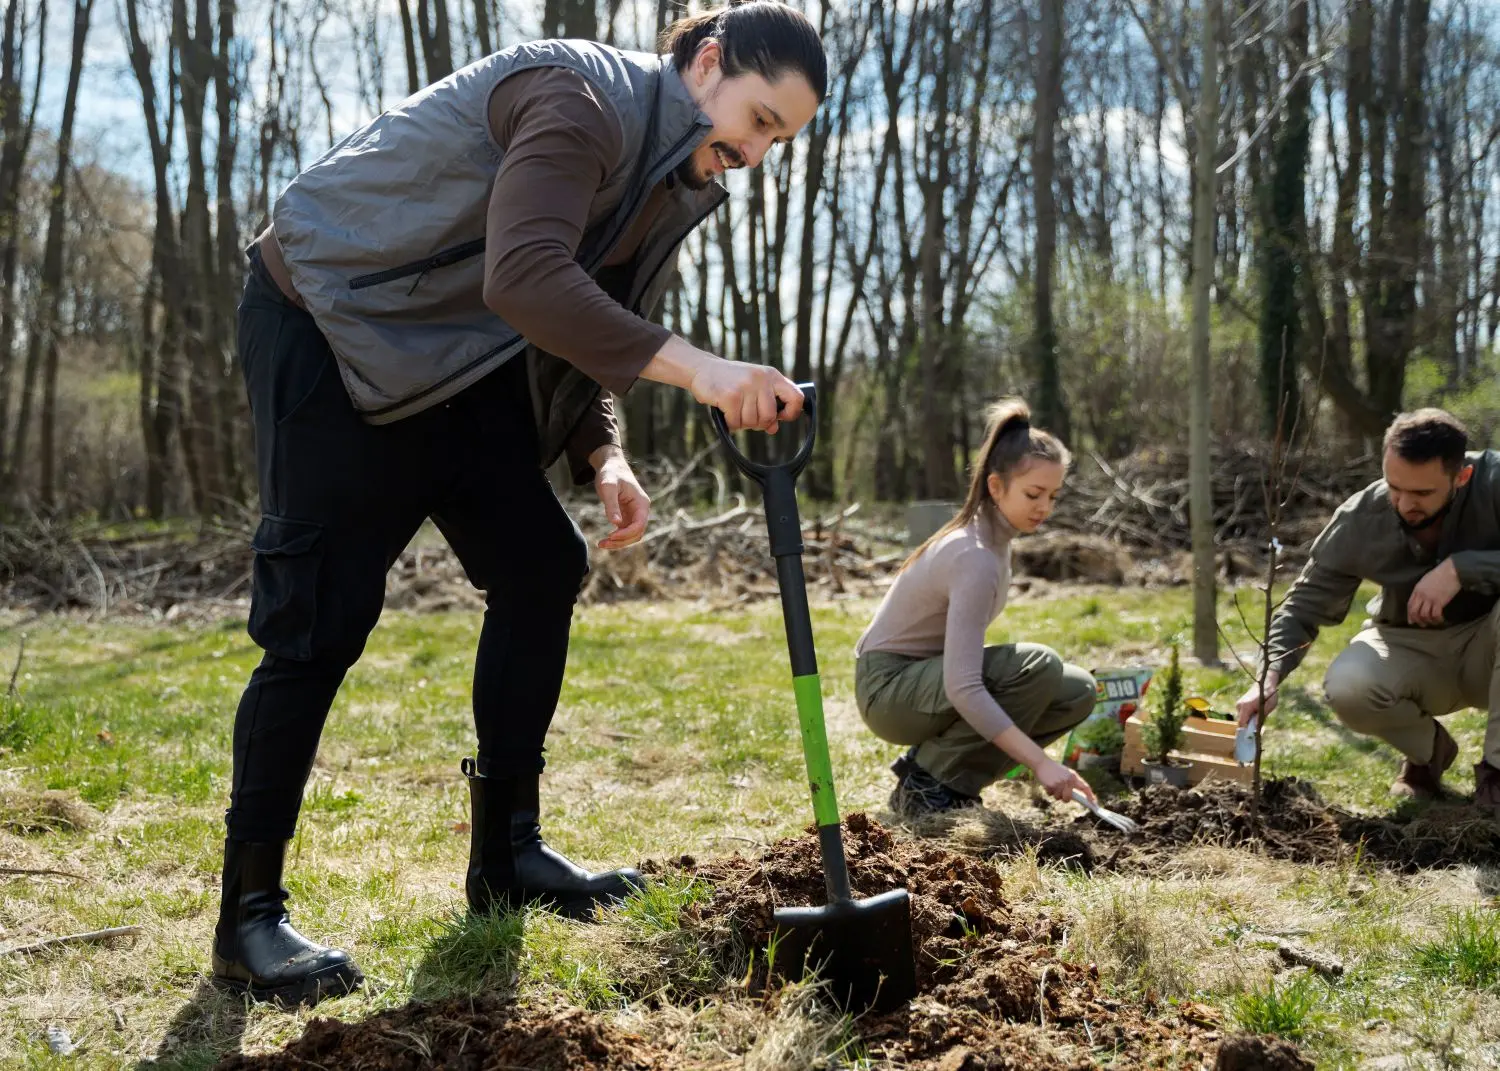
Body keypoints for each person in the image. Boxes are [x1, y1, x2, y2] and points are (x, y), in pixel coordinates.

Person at [214, 1, 827, 1006]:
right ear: (708, 62)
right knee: (318, 618)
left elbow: (589, 317)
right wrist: (708, 372)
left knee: (542, 565)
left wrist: (603, 455)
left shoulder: (666, 174)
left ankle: (507, 854)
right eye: (759, 119)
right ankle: (248, 915)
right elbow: (528, 276)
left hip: (454, 360)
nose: (756, 153)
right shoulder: (578, 99)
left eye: (778, 141)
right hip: (328, 319)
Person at [1236, 409, 1500, 809]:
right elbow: (1303, 605)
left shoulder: (1493, 483)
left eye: (1422, 493)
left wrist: (1462, 569)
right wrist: (1268, 677)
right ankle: (1429, 753)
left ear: (1461, 477)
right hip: (1409, 645)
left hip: (1489, 645)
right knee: (1348, 687)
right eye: (1395, 487)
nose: (1404, 503)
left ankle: (1496, 776)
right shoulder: (1362, 516)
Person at [854, 400, 1098, 817]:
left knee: (1076, 690)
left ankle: (953, 779)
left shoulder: (997, 542)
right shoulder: (975, 555)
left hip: (922, 682)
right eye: (1033, 494)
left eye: (1053, 495)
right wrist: (1040, 763)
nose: (1045, 507)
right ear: (995, 487)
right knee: (1038, 665)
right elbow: (963, 687)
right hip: (888, 690)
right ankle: (927, 783)